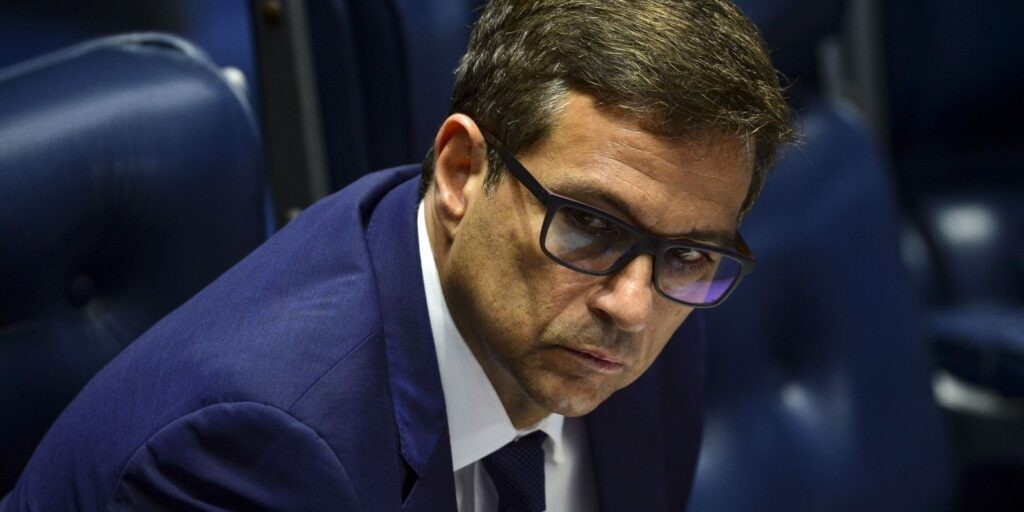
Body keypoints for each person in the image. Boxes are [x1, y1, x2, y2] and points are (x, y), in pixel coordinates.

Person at [3, 0, 792, 510]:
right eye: (589, 223)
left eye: (690, 254)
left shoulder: (657, 303)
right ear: (460, 172)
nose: (632, 306)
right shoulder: (259, 454)